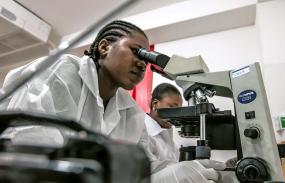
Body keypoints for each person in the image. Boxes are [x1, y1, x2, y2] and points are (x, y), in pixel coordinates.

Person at [0, 20, 226, 182]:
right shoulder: (59, 74)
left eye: (147, 61)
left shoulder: (129, 111)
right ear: (104, 46)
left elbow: (141, 168)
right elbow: (30, 162)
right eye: (137, 52)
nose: (142, 64)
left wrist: (180, 171)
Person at [144, 83, 182, 162]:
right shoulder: (143, 133)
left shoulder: (168, 137)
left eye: (179, 110)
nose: (177, 114)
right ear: (155, 104)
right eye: (172, 107)